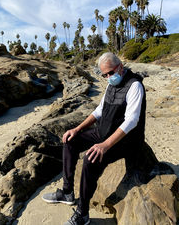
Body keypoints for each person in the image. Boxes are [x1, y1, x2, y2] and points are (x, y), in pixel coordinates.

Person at [42, 52, 146, 225]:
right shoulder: (111, 85)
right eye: (104, 75)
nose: (108, 77)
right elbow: (99, 111)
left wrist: (105, 145)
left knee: (91, 159)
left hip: (125, 140)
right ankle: (67, 192)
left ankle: (82, 213)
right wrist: (77, 129)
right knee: (70, 141)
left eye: (110, 73)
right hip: (103, 131)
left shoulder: (135, 86)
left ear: (120, 66)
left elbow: (132, 120)